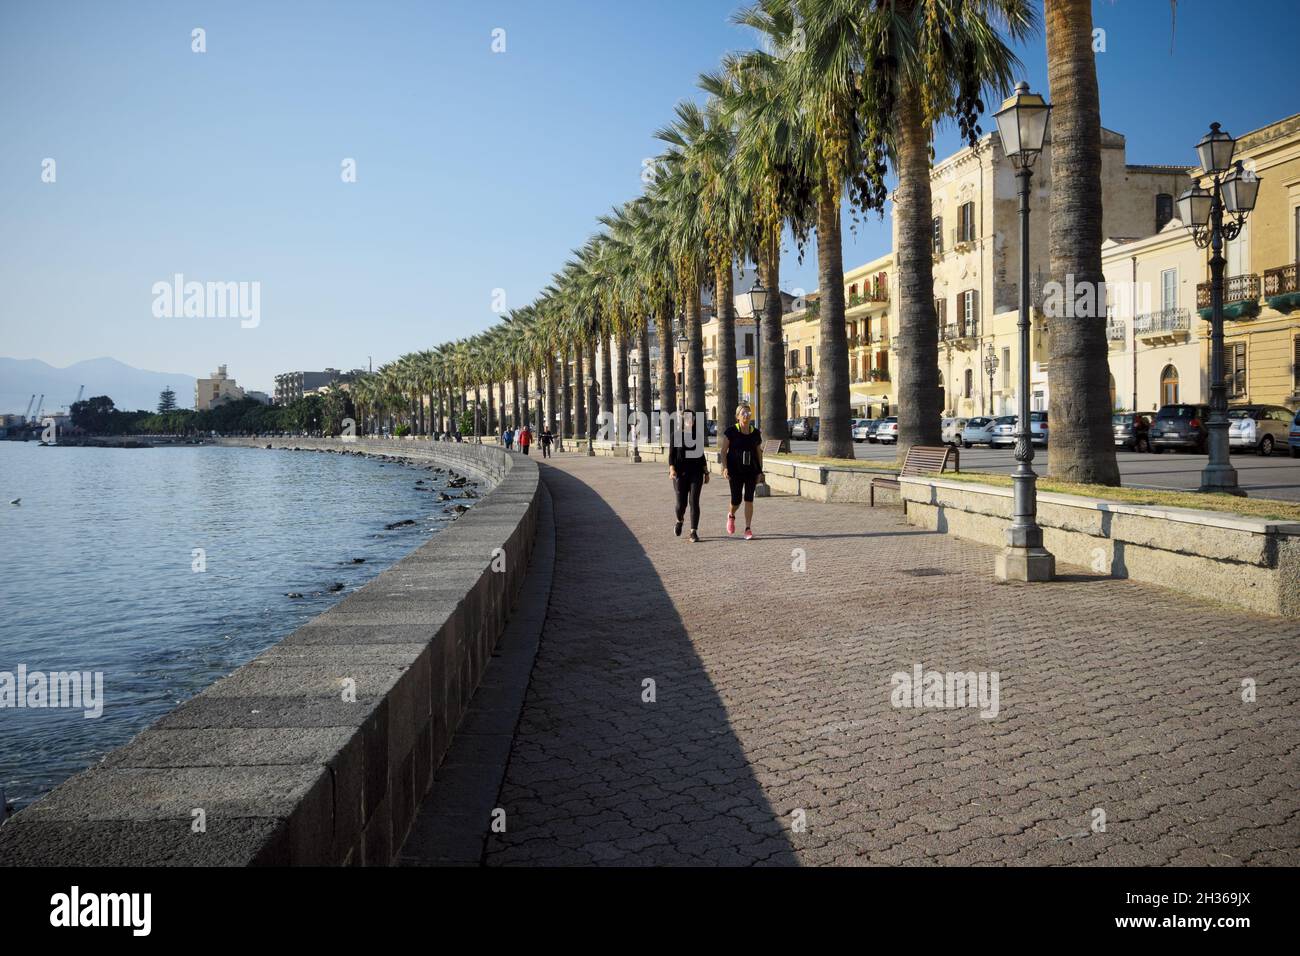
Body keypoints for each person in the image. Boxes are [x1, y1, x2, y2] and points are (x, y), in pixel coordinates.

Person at [719, 402, 763, 540]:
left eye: (748, 413)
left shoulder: (755, 433)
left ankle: (748, 528)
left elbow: (759, 453)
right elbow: (723, 451)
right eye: (743, 413)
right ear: (737, 416)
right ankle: (731, 515)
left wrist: (760, 471)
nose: (746, 416)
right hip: (735, 471)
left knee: (749, 499)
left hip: (751, 471)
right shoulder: (731, 432)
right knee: (736, 500)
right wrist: (725, 468)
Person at [668, 409, 708, 543]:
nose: (690, 421)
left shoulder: (698, 436)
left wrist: (706, 472)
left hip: (696, 473)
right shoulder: (677, 435)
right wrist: (672, 469)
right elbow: (671, 455)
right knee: (681, 504)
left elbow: (701, 456)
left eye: (692, 418)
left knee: (694, 501)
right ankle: (680, 520)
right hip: (680, 473)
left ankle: (693, 532)